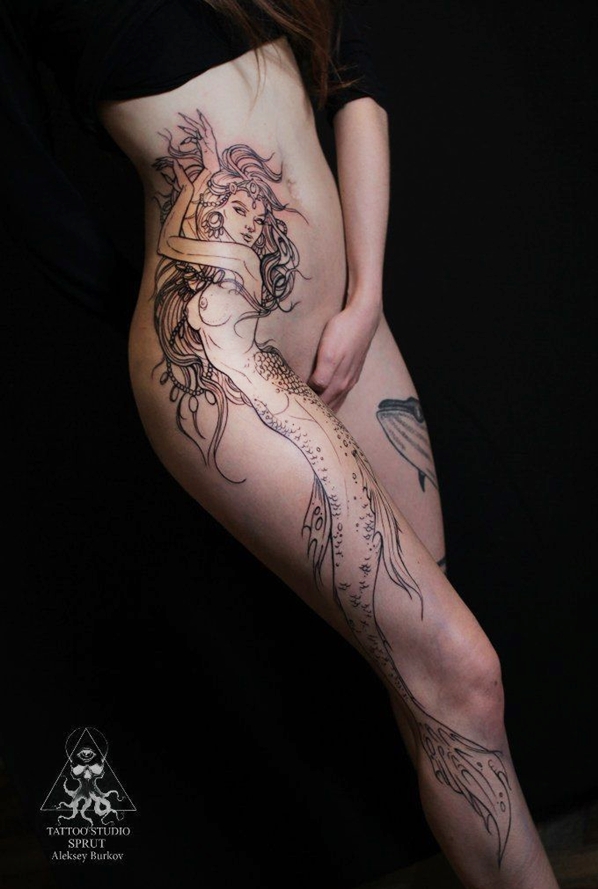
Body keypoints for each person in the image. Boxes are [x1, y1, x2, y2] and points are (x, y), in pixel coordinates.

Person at [0, 1, 560, 887]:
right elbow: (23, 185)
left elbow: (353, 75)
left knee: (440, 691)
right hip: (221, 349)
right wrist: (176, 315)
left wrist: (364, 296)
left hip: (348, 326)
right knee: (462, 674)